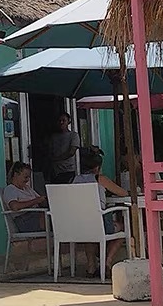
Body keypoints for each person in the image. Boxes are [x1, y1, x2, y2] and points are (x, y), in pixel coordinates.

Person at [73, 149, 129, 278]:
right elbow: (123, 193)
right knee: (123, 228)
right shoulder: (100, 179)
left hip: (81, 225)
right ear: (97, 167)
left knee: (89, 233)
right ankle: (107, 262)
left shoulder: (75, 180)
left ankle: (91, 267)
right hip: (99, 223)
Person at [3, 161, 46, 232]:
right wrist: (35, 201)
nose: (27, 180)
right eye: (25, 177)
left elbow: (40, 200)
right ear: (16, 174)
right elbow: (14, 206)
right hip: (24, 219)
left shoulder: (27, 188)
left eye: (29, 177)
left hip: (36, 215)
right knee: (51, 219)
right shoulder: (10, 189)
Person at [48, 112, 81, 184]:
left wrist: (56, 159)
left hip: (68, 170)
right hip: (55, 171)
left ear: (69, 121)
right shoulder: (54, 137)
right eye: (59, 120)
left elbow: (71, 152)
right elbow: (50, 151)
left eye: (64, 120)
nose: (61, 122)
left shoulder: (73, 135)